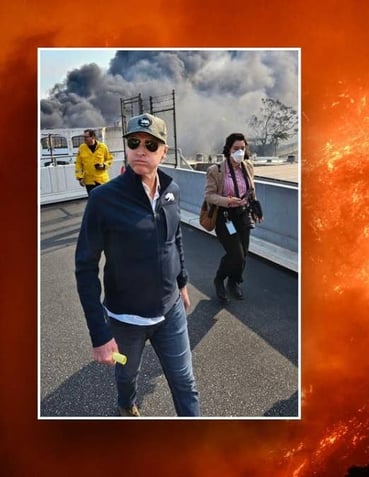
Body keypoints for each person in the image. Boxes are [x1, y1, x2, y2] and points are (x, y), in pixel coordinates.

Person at [75, 113, 199, 417]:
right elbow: (85, 267)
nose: (141, 149)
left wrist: (182, 282)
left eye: (151, 144)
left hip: (170, 314)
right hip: (124, 320)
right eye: (134, 142)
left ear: (164, 151)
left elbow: (175, 237)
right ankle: (125, 405)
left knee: (185, 382)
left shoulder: (173, 191)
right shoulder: (103, 199)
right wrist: (99, 334)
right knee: (127, 375)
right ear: (126, 147)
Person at [204, 132, 263, 303]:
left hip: (243, 215)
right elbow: (209, 196)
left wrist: (256, 208)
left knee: (243, 254)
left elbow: (251, 190)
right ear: (228, 149)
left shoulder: (248, 167)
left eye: (242, 149)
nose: (240, 152)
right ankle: (219, 279)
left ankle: (233, 282)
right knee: (235, 254)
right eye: (236, 148)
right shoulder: (216, 170)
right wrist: (227, 201)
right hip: (225, 217)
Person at [75, 128, 113, 195]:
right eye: (84, 137)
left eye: (86, 137)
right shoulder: (82, 148)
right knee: (93, 201)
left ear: (93, 137)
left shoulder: (103, 147)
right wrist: (80, 177)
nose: (84, 139)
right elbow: (78, 164)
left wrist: (104, 166)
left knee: (104, 199)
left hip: (102, 180)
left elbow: (110, 159)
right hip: (89, 181)